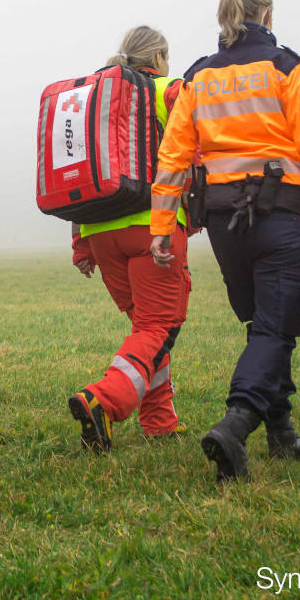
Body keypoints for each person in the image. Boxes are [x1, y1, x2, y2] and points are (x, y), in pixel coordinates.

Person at [149, 0, 300, 482]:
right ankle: (236, 423)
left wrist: (162, 226)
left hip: (224, 225)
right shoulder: (285, 66)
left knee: (262, 324)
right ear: (266, 14)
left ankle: (282, 432)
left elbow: (173, 158)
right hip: (281, 219)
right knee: (275, 328)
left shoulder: (198, 75)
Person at [68, 26, 194, 453]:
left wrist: (81, 243)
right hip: (152, 228)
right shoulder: (165, 90)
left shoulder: (98, 100)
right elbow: (204, 126)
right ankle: (100, 400)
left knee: (147, 330)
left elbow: (86, 169)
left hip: (100, 233)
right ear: (157, 57)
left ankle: (159, 421)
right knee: (159, 326)